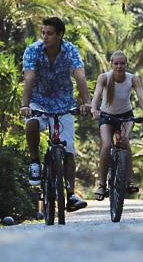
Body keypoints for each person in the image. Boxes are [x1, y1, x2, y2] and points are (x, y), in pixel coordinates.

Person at [21, 16, 91, 212]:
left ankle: (71, 194)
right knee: (32, 122)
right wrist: (25, 105)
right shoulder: (33, 50)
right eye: (43, 33)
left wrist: (86, 102)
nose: (45, 37)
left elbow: (80, 76)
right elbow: (29, 78)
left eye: (50, 34)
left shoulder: (70, 50)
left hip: (64, 102)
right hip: (39, 100)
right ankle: (34, 162)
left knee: (68, 149)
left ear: (60, 35)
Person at [90, 50, 143, 201]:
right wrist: (94, 109)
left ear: (126, 64)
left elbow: (141, 97)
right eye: (116, 63)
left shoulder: (133, 79)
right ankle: (102, 184)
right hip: (106, 116)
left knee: (124, 142)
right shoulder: (104, 77)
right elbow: (97, 95)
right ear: (111, 64)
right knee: (106, 145)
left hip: (125, 116)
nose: (119, 66)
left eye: (122, 63)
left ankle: (129, 181)